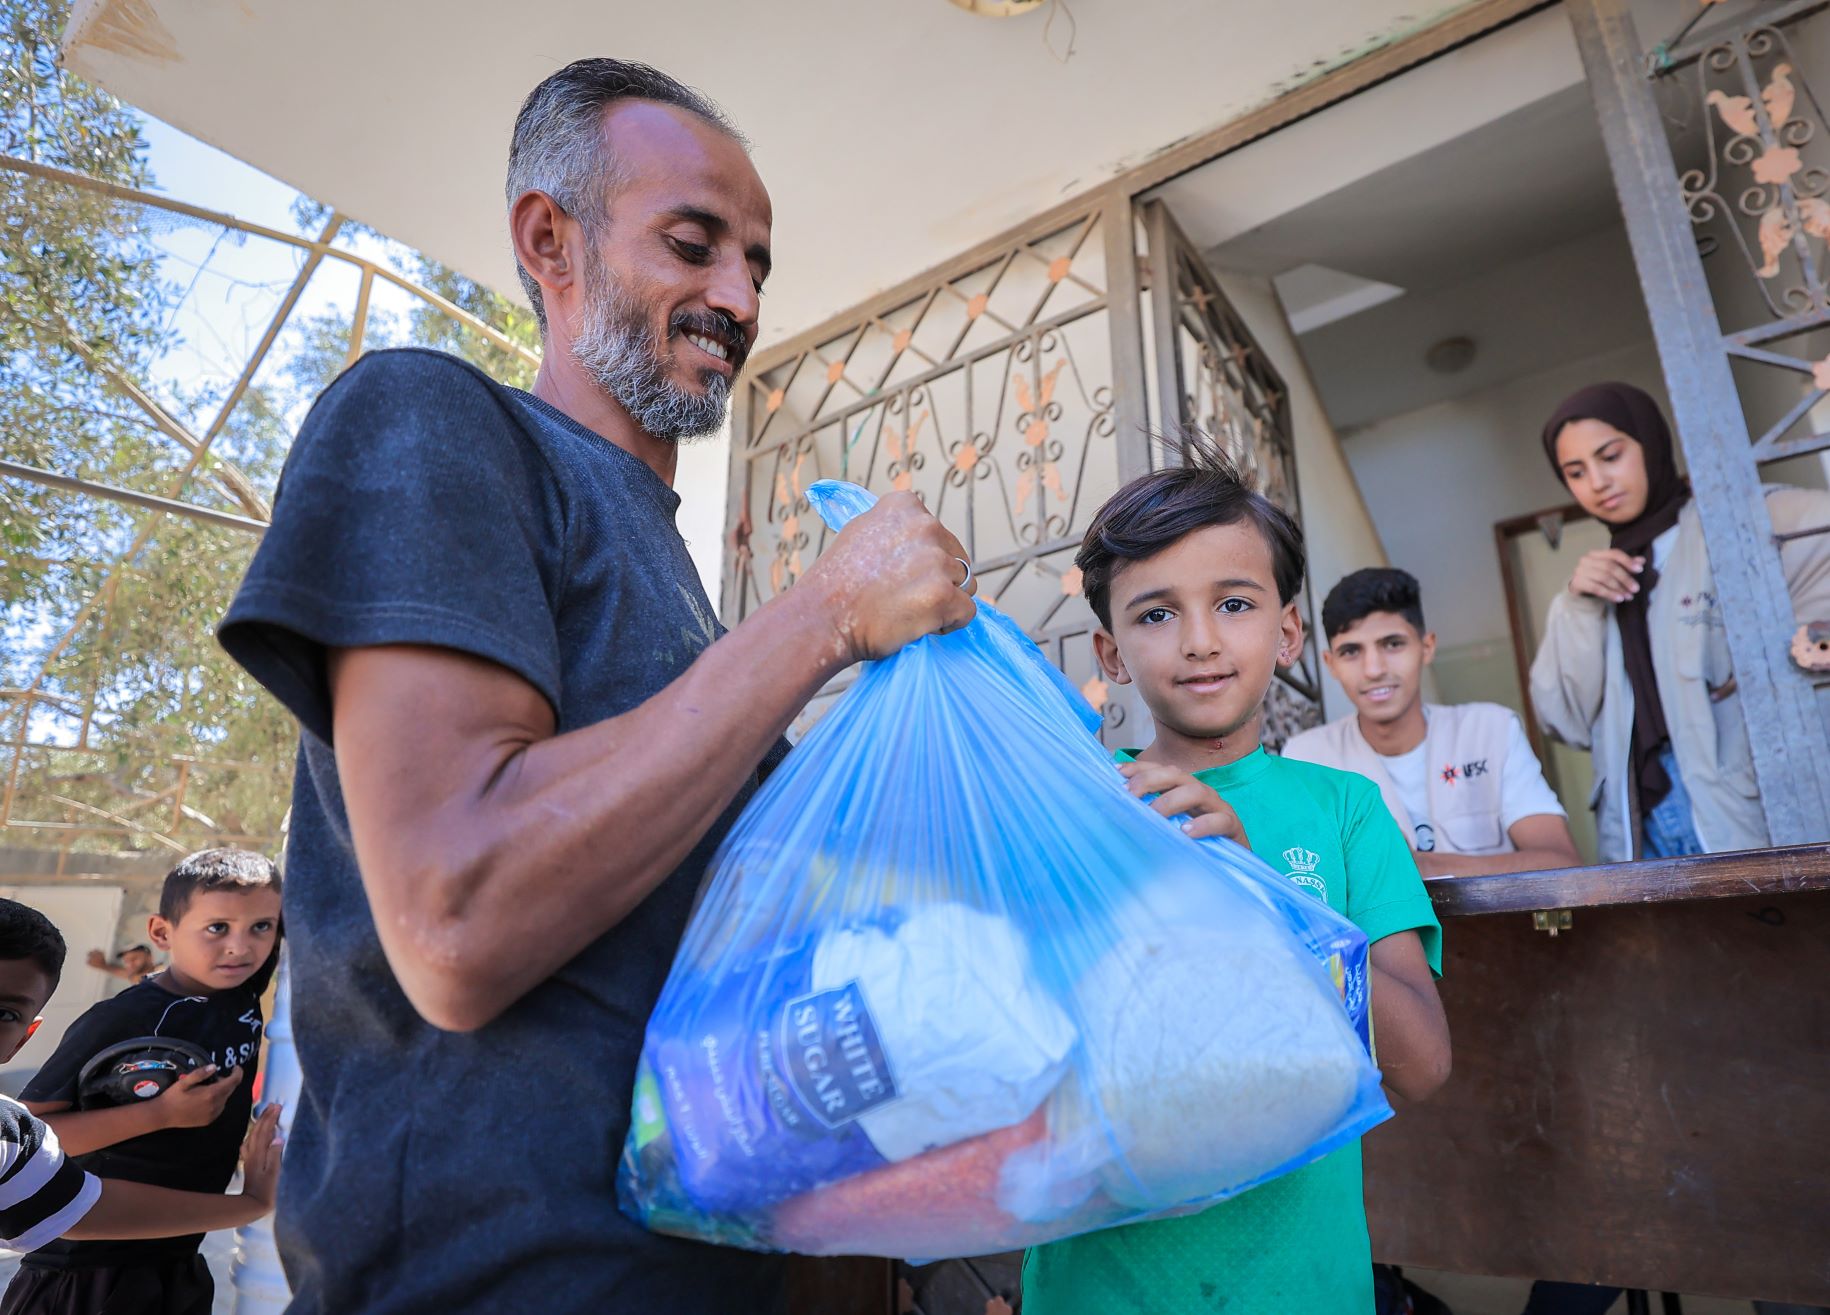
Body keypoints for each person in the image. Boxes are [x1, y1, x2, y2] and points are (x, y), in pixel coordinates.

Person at [215, 58, 976, 1315]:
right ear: (548, 239)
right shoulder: (433, 420)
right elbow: (461, 916)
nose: (737, 295)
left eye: (758, 266)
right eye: (694, 244)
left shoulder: (688, 598)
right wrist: (828, 613)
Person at [1021, 460, 1451, 1315]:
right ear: (1111, 651)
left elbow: (1423, 1064)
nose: (1201, 640)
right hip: (1095, 1290)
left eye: (1234, 603)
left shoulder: (1345, 810)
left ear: (1289, 633)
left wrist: (1259, 897)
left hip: (1303, 1286)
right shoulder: (1071, 804)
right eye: (1155, 613)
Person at [1532, 381, 1830, 862]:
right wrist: (1577, 605)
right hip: (1644, 821)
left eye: (1611, 456)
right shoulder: (1594, 584)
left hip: (1748, 803)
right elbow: (1562, 721)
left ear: (1649, 443)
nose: (1598, 482)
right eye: (1576, 472)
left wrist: (1810, 640)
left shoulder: (1740, 525)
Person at [6, 851, 282, 1315]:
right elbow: (39, 1135)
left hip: (177, 1254)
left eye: (262, 927)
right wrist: (161, 1115)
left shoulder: (242, 993)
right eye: (217, 928)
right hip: (88, 1269)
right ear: (161, 933)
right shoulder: (123, 1016)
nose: (240, 946)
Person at [1284, 566, 1580, 876]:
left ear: (1427, 647)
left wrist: (1414, 865)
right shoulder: (1308, 758)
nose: (1373, 669)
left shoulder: (1491, 730)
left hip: (1495, 926)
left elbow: (1561, 864)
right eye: (1351, 651)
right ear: (1331, 664)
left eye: (1393, 644)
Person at [85, 945, 155, 988]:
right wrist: (103, 965)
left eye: (134, 959)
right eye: (126, 962)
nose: (130, 964)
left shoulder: (161, 973)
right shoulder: (139, 981)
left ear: (149, 958)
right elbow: (128, 974)